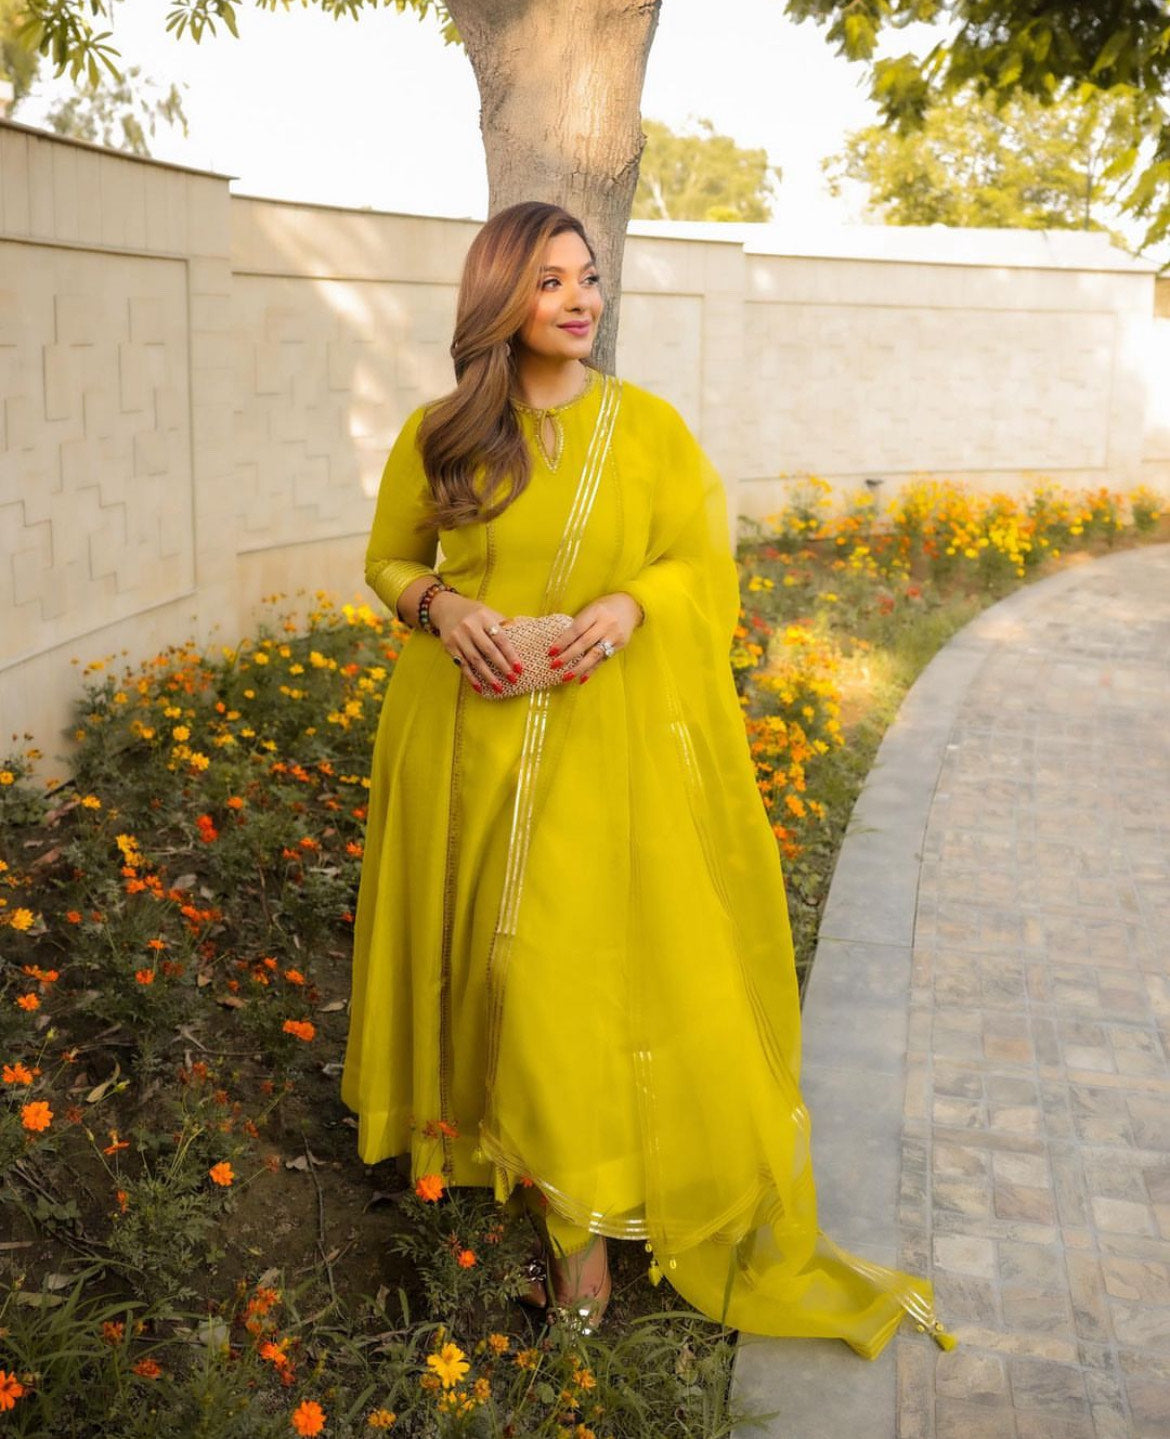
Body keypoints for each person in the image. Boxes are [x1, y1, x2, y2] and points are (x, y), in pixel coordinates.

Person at [341, 200, 953, 1356]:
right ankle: (519, 1174)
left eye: (590, 278)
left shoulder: (650, 429)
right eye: (552, 281)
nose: (580, 300)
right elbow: (389, 558)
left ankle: (584, 1252)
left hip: (593, 742)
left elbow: (694, 560)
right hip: (460, 743)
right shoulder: (443, 434)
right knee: (480, 965)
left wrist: (628, 606)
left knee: (552, 981)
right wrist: (443, 604)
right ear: (500, 299)